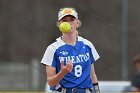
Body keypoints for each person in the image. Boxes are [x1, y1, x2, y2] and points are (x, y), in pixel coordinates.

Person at [41, 7, 100, 93]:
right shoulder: (52, 49)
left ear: (77, 23)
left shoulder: (87, 45)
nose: (68, 23)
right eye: (64, 20)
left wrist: (97, 91)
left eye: (72, 19)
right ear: (59, 24)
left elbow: (92, 75)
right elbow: (50, 82)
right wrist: (62, 73)